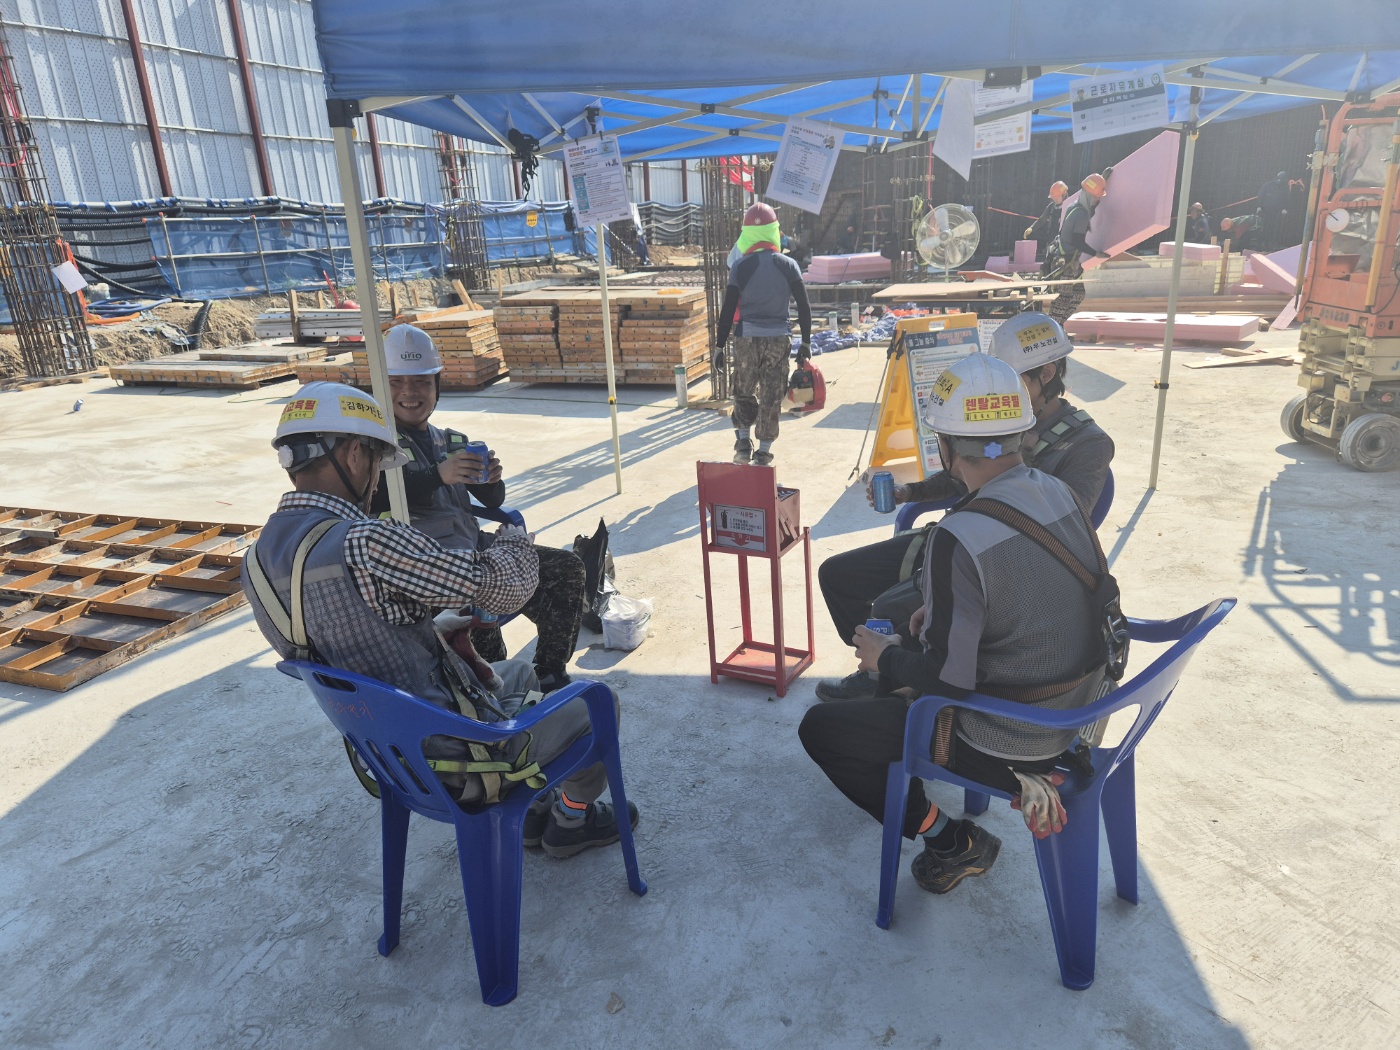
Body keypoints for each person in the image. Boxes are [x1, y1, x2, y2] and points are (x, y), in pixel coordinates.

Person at [240, 381, 637, 857]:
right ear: (353, 454)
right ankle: (570, 819)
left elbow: (346, 645)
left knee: (521, 673)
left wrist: (431, 631)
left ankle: (534, 811)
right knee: (599, 703)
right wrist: (515, 537)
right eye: (376, 463)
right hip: (461, 756)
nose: (376, 481)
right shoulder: (365, 540)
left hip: (390, 758)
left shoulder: (255, 563)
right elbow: (506, 588)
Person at [800, 353, 1115, 893]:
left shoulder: (958, 535)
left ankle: (950, 839)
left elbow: (950, 681)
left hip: (1013, 736)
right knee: (901, 658)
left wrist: (885, 658)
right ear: (1022, 435)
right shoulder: (1056, 491)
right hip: (1081, 706)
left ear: (945, 448)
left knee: (825, 729)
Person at [815, 312, 1113, 702]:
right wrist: (910, 492)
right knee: (837, 575)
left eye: (1013, 380)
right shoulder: (999, 417)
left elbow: (1067, 521)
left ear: (1046, 374)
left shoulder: (1087, 443)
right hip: (956, 535)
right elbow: (963, 471)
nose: (1000, 391)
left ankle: (892, 676)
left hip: (1003, 561)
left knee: (890, 608)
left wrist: (1015, 463)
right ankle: (882, 667)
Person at [371, 324, 587, 695]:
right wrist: (437, 475)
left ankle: (549, 671)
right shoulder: (373, 445)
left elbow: (494, 502)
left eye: (421, 382)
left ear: (437, 385)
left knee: (566, 569)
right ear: (380, 386)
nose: (409, 392)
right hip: (427, 570)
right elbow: (375, 497)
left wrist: (490, 481)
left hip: (474, 550)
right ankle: (497, 692)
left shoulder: (451, 440)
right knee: (484, 644)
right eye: (397, 382)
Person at [714, 202, 813, 466]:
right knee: (771, 394)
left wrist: (719, 346)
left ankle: (743, 444)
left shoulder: (740, 266)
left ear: (746, 233)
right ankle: (764, 451)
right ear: (774, 231)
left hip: (746, 338)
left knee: (743, 389)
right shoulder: (789, 265)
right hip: (778, 339)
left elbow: (728, 309)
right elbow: (804, 306)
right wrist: (806, 342)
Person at [1045, 173, 1110, 324]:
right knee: (1063, 298)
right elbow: (1077, 242)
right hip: (1066, 263)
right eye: (1097, 197)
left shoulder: (1074, 206)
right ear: (1090, 196)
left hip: (1064, 260)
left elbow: (1091, 209)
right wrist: (1096, 254)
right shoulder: (1081, 214)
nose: (1098, 200)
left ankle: (1058, 326)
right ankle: (1054, 329)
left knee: (1078, 294)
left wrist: (1103, 179)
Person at [1024, 181, 1069, 258]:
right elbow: (1042, 220)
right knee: (1049, 261)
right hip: (1052, 240)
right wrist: (1031, 228)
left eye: (1057, 197)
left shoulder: (1070, 207)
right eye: (1053, 197)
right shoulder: (1051, 207)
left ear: (1064, 194)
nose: (1054, 199)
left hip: (1065, 242)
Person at [1257, 172, 1291, 250]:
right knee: (1264, 226)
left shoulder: (1285, 188)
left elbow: (1286, 199)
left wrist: (1284, 208)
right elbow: (1261, 195)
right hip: (1265, 211)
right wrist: (1259, 206)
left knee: (1274, 227)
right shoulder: (1268, 185)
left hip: (1276, 211)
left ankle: (1270, 244)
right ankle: (1261, 243)